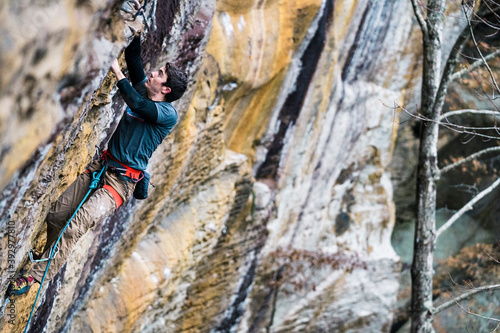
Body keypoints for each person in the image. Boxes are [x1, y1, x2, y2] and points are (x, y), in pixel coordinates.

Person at [8, 34, 188, 296]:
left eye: (159, 74)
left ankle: (34, 278)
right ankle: (47, 254)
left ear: (166, 89)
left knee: (76, 226)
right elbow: (134, 57)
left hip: (120, 183)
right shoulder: (143, 90)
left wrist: (115, 70)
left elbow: (137, 105)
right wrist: (136, 20)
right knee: (57, 214)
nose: (152, 72)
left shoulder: (167, 114)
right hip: (101, 167)